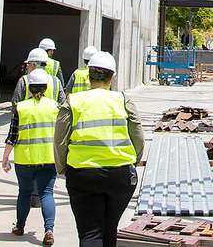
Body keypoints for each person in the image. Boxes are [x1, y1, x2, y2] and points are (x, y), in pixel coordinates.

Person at [54, 52, 146, 247]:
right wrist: (134, 161)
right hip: (121, 175)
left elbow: (60, 140)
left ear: (88, 75)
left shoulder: (73, 102)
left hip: (82, 175)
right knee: (109, 228)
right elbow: (137, 134)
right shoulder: (123, 100)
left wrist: (62, 168)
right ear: (112, 76)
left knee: (90, 232)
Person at [2, 68, 59, 246]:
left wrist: (5, 158)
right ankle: (49, 230)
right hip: (49, 158)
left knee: (24, 193)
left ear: (29, 87)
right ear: (46, 86)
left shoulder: (21, 107)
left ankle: (19, 227)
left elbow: (12, 136)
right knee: (47, 193)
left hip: (24, 160)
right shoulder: (55, 107)